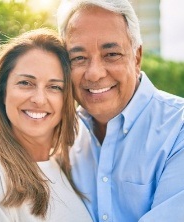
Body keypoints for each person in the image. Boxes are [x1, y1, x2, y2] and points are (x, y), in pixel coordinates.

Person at [57, 0, 184, 221]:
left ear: (137, 57)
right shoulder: (61, 136)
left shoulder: (179, 129)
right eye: (78, 58)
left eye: (111, 54)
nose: (94, 74)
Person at [0, 28, 92, 222]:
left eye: (54, 87)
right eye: (25, 83)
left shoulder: (65, 169)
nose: (39, 99)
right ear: (2, 92)